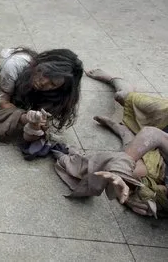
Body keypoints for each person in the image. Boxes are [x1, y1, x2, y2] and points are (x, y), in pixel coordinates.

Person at [54, 68, 168, 216]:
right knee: (122, 97)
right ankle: (116, 81)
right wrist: (120, 169)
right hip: (164, 120)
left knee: (128, 176)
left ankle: (124, 132)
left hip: (161, 161)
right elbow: (152, 134)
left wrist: (134, 199)